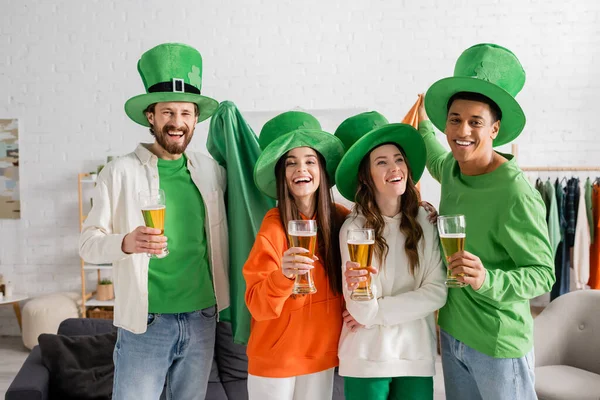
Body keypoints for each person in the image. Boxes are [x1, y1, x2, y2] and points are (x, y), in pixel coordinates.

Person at [79, 42, 228, 400]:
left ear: (195, 118)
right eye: (168, 113)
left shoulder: (210, 170)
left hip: (203, 316)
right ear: (151, 116)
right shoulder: (118, 173)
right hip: (146, 323)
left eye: (186, 113)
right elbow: (87, 244)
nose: (177, 123)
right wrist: (125, 242)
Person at [420, 43, 555, 400]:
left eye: (475, 122)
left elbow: (543, 273)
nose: (462, 131)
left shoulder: (515, 192)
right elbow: (432, 152)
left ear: (494, 130)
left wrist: (486, 278)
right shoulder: (451, 168)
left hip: (498, 345)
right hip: (451, 334)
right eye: (455, 119)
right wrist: (417, 121)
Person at [334, 111, 447, 400]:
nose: (394, 167)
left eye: (398, 159)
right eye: (381, 162)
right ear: (366, 176)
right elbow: (360, 310)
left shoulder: (426, 221)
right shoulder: (354, 229)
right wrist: (371, 313)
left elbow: (437, 293)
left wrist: (377, 313)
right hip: (366, 358)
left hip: (416, 356)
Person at [242, 111, 348, 400]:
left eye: (310, 161)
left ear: (322, 170)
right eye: (290, 163)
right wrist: (283, 276)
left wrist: (418, 210)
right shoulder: (273, 226)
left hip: (321, 354)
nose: (301, 169)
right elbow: (257, 305)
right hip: (275, 359)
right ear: (282, 176)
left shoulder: (342, 220)